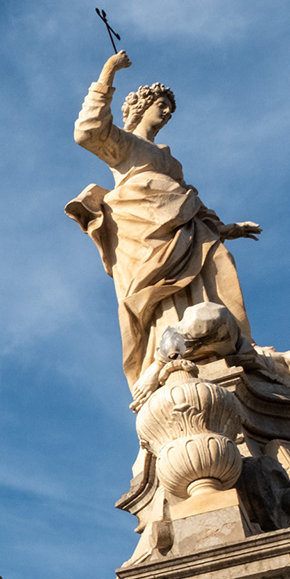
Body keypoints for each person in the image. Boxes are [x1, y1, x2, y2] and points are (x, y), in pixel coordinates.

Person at [68, 50, 261, 390]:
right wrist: (109, 72)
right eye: (162, 105)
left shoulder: (170, 161)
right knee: (159, 295)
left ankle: (221, 345)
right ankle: (168, 355)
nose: (168, 112)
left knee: (218, 263)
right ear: (143, 106)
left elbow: (189, 200)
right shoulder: (125, 144)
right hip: (144, 233)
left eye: (171, 108)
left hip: (186, 229)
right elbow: (88, 131)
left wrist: (226, 228)